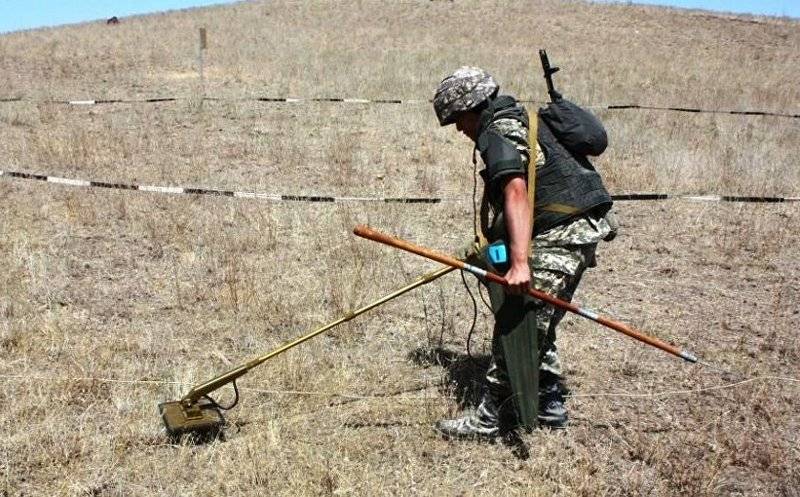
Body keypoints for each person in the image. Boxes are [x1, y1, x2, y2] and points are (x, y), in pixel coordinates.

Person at [432, 67, 614, 438]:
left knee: (517, 322)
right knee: (538, 317)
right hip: (580, 228)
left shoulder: (498, 131)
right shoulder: (522, 119)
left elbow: (515, 190)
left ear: (473, 108)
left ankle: (492, 416)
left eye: (458, 119)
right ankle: (548, 403)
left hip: (562, 233)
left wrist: (518, 263)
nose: (458, 129)